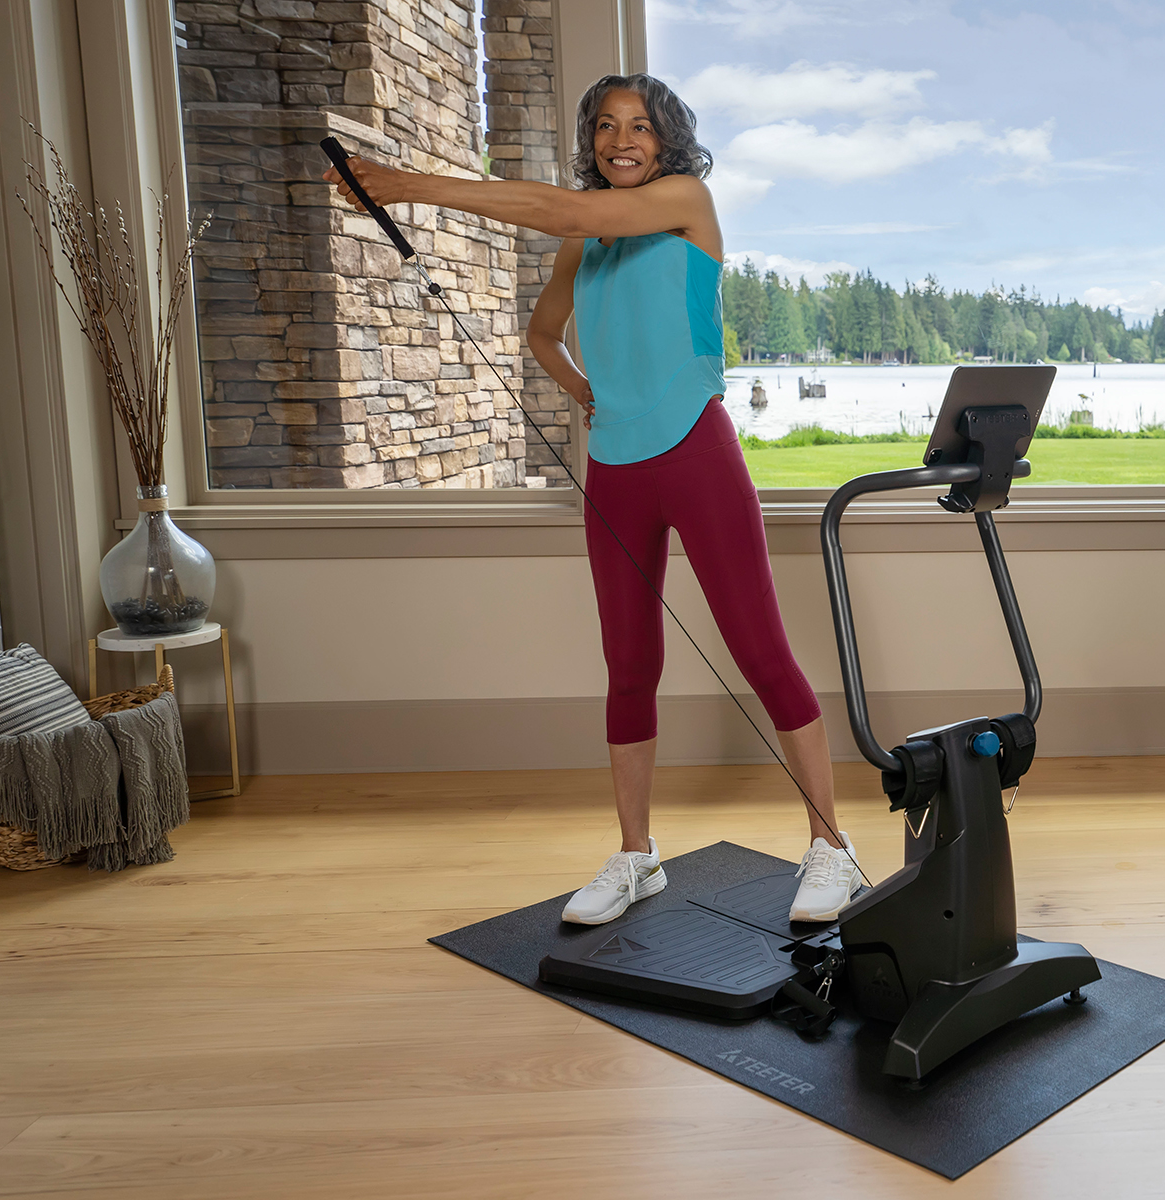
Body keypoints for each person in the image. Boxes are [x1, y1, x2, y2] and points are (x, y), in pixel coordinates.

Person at [323, 74, 861, 925]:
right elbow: (541, 331)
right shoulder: (589, 239)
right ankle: (636, 855)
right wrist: (584, 393)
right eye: (606, 126)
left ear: (668, 139)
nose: (622, 140)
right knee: (629, 666)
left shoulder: (686, 201)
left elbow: (567, 215)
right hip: (615, 468)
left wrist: (407, 185)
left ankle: (833, 849)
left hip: (697, 451)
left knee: (761, 651)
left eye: (640, 127)